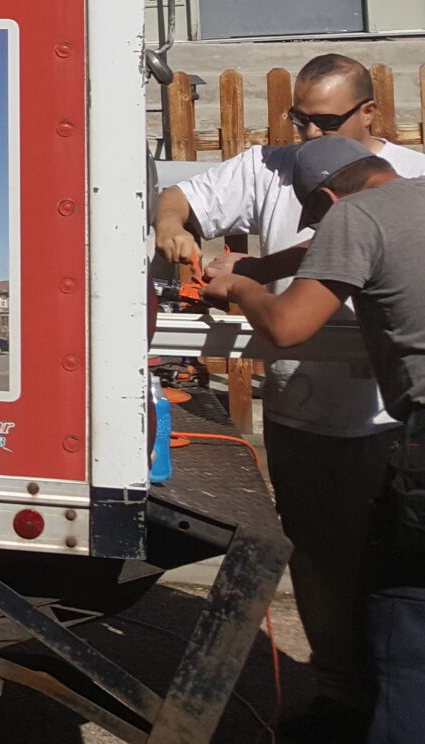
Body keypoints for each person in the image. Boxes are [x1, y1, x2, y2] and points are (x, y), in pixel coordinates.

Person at [156, 55, 425, 740]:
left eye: (322, 122)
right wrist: (223, 251)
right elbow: (310, 255)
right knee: (339, 571)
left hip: (392, 424)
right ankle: (349, 699)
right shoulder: (386, 193)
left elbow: (285, 321)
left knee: (398, 599)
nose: (304, 133)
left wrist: (242, 290)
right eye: (297, 119)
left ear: (370, 114)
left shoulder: (363, 205)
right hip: (309, 414)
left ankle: (388, 715)